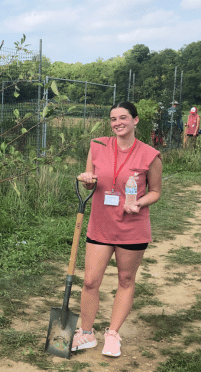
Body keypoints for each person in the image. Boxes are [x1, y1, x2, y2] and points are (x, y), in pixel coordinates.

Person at [74, 102, 162, 358]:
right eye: (113, 119)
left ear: (135, 120)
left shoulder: (150, 155)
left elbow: (156, 191)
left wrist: (139, 203)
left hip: (132, 228)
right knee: (90, 281)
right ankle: (86, 333)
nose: (117, 123)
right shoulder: (98, 145)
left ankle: (112, 334)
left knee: (125, 279)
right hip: (100, 225)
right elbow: (90, 182)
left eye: (123, 117)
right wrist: (87, 180)